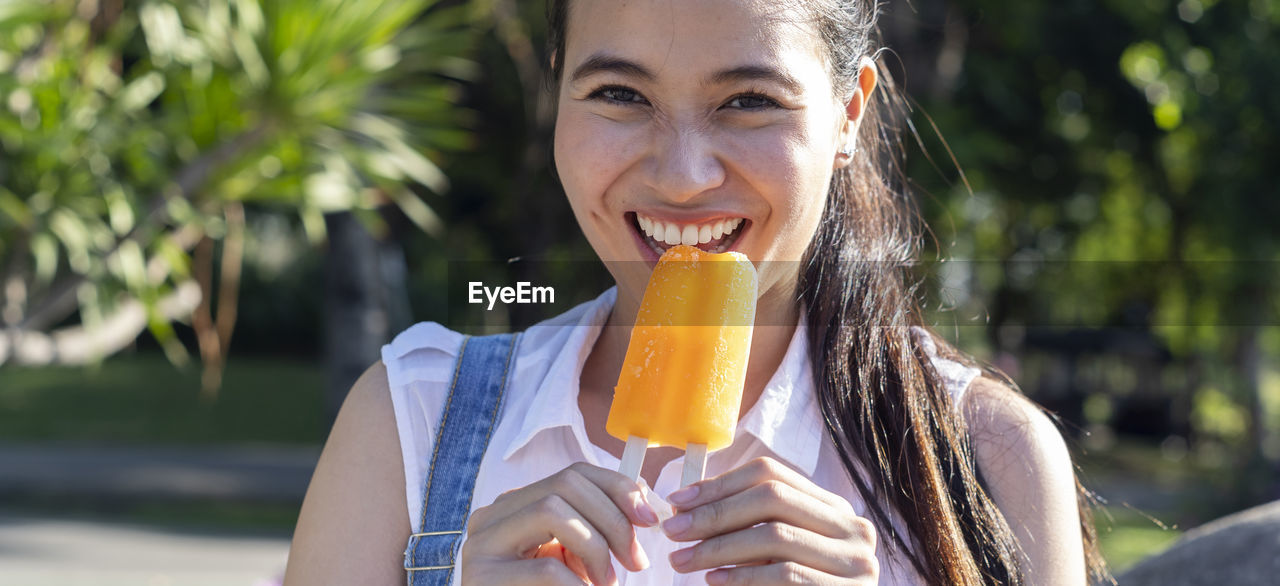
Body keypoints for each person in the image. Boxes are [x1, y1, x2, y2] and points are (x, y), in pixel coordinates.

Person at [285, 0, 1110, 584]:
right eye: (620, 95)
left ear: (847, 114)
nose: (683, 176)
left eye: (749, 101)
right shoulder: (412, 420)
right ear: (558, 87)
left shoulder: (988, 458)